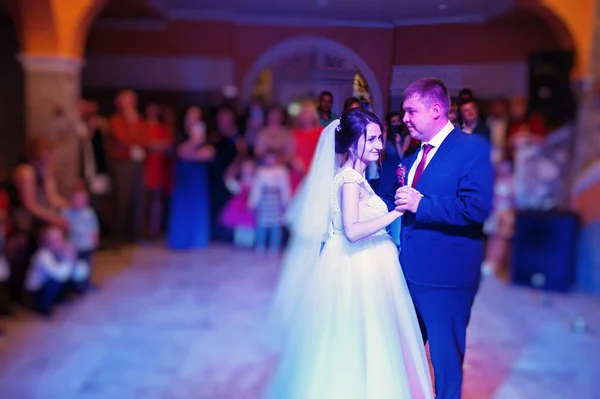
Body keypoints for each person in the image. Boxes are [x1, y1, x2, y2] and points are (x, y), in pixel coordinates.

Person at [265, 108, 433, 399]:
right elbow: (353, 231)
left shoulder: (354, 175)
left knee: (358, 338)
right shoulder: (350, 180)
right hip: (358, 266)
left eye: (380, 138)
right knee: (362, 335)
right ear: (354, 141)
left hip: (358, 263)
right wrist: (396, 212)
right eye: (372, 139)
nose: (379, 146)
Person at [383, 78, 494, 399]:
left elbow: (477, 208)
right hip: (408, 272)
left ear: (435, 110)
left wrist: (423, 204)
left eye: (410, 111)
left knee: (444, 362)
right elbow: (396, 200)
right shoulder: (412, 155)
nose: (404, 118)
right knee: (407, 355)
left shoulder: (472, 148)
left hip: (447, 276)